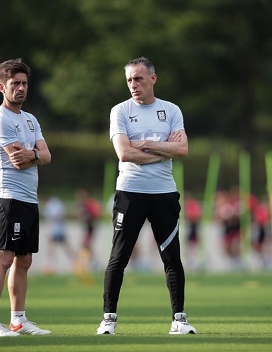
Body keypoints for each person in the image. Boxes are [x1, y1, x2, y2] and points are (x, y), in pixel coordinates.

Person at [97, 57, 196, 335]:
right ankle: (108, 319)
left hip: (164, 194)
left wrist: (148, 144)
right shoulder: (120, 111)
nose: (133, 85)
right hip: (130, 193)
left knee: (172, 258)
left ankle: (179, 319)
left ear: (153, 78)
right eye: (129, 80)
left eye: (138, 79)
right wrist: (163, 149)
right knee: (119, 257)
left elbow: (183, 150)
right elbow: (124, 154)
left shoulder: (171, 110)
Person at [0, 58, 52, 337]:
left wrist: (33, 153)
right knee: (4, 257)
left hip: (29, 199)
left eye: (24, 83)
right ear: (2, 87)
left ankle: (18, 319)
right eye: (15, 84)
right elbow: (17, 162)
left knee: (24, 260)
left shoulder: (30, 119)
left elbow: (45, 156)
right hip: (9, 197)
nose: (21, 88)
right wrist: (34, 155)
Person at [43, 195, 75, 273]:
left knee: (65, 248)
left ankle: (75, 263)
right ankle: (51, 265)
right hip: (54, 230)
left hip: (59, 230)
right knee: (52, 248)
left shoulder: (54, 204)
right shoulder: (50, 205)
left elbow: (60, 215)